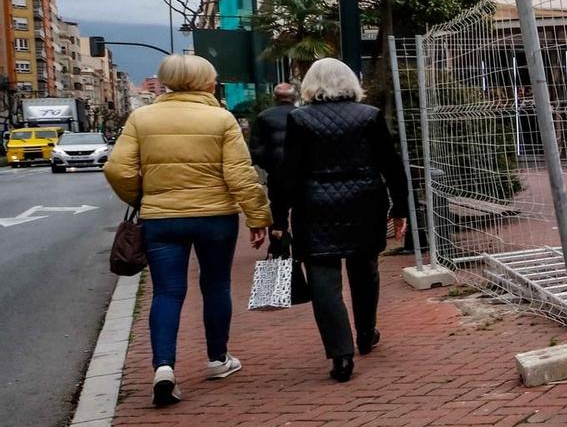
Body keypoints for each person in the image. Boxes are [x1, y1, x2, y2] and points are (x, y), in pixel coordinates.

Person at [103, 54, 271, 407]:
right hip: (215, 217)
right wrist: (257, 217)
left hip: (162, 218)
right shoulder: (221, 119)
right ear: (206, 83)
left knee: (167, 292)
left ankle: (164, 367)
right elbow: (240, 175)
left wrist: (144, 197)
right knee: (215, 285)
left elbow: (117, 170)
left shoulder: (141, 118)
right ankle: (217, 359)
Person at [272, 58, 407, 382]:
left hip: (314, 206)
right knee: (365, 270)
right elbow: (391, 164)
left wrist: (279, 218)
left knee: (323, 282)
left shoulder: (300, 119)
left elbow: (288, 172)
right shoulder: (369, 116)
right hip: (364, 200)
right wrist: (400, 207)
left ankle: (341, 355)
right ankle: (365, 331)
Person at [249, 82, 296, 179]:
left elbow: (255, 149)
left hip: (274, 171)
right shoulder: (303, 115)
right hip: (300, 172)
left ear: (274, 98)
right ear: (294, 98)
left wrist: (266, 163)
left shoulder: (263, 116)